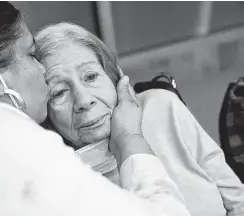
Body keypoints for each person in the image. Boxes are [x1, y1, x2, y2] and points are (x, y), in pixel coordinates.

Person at [0, 2, 191, 216]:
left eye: (90, 77)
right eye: (31, 55)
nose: (42, 69)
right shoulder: (11, 142)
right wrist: (131, 140)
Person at [35, 22, 244, 216]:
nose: (84, 100)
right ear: (45, 114)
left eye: (90, 77)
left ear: (114, 77)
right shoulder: (55, 178)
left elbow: (236, 198)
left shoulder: (161, 106)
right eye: (59, 92)